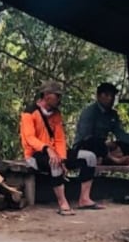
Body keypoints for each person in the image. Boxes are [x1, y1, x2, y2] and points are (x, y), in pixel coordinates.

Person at [20, 81, 102, 215]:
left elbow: (60, 139)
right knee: (54, 162)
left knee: (89, 157)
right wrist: (47, 149)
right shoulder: (29, 113)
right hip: (35, 154)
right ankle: (63, 203)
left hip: (55, 152)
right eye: (57, 96)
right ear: (46, 95)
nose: (59, 99)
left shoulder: (56, 114)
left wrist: (63, 158)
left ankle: (84, 199)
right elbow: (29, 138)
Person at [72, 82, 129, 165]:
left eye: (112, 95)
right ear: (98, 96)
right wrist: (106, 145)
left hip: (103, 147)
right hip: (86, 146)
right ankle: (113, 159)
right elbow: (86, 138)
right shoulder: (90, 112)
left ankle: (107, 158)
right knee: (94, 142)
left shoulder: (112, 114)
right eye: (106, 95)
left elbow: (121, 134)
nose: (110, 98)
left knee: (127, 144)